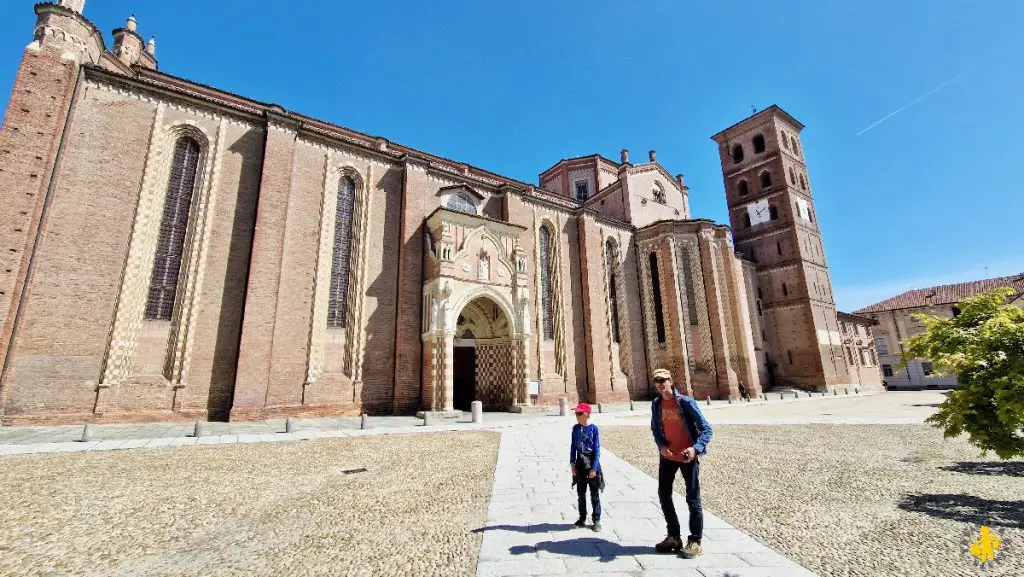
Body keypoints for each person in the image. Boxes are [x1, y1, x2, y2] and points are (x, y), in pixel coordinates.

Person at [650, 368, 713, 559]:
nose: (660, 383)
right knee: (664, 494)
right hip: (667, 457)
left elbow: (706, 429)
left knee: (692, 498)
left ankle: (695, 541)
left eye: (663, 380)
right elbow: (655, 428)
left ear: (671, 380)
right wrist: (661, 446)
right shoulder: (656, 404)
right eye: (657, 381)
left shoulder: (685, 402)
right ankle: (674, 536)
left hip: (687, 457)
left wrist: (695, 449)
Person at [569, 402, 603, 532]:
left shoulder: (594, 429)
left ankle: (597, 520)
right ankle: (582, 518)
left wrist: (594, 468)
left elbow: (597, 449)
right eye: (576, 413)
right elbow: (573, 447)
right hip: (580, 464)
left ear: (587, 414)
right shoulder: (575, 428)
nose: (576, 416)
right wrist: (572, 464)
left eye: (579, 413)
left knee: (594, 494)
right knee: (581, 494)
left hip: (592, 464)